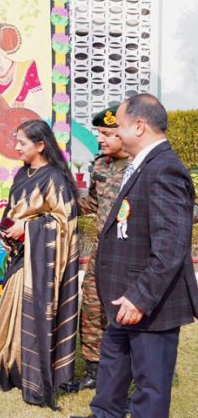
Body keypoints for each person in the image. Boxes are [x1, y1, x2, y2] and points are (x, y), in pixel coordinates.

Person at [83, 94, 198, 418]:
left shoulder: (165, 169)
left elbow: (171, 247)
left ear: (138, 125)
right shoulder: (144, 164)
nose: (115, 134)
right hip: (126, 298)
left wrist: (140, 298)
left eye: (118, 127)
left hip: (148, 304)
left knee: (150, 388)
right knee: (113, 370)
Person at [0, 119, 79, 408]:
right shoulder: (23, 173)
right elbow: (14, 210)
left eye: (22, 142)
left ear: (40, 145)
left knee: (30, 312)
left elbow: (65, 223)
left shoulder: (55, 179)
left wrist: (29, 228)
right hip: (22, 254)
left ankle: (33, 374)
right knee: (11, 307)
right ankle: (12, 365)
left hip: (42, 261)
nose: (17, 147)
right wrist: (8, 230)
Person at [60, 106, 130, 393]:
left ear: (124, 133)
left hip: (129, 254)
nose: (100, 139)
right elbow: (94, 204)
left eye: (106, 134)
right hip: (102, 252)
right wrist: (60, 206)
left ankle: (128, 376)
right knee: (91, 309)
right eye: (99, 133)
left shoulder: (142, 165)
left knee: (124, 315)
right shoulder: (101, 164)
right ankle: (93, 370)